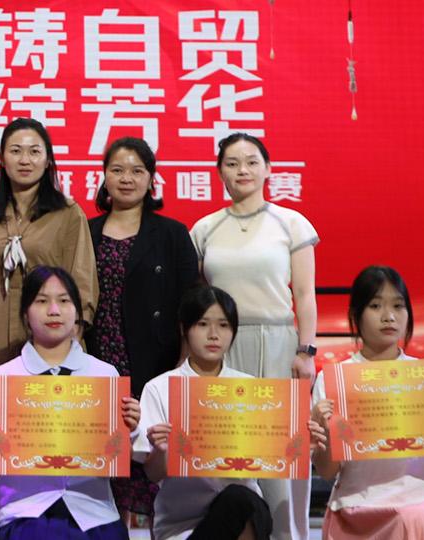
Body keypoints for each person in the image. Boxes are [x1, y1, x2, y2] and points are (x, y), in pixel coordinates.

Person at [188, 133, 317, 538]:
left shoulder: (291, 223)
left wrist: (306, 351)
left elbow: (305, 294)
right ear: (219, 172)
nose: (242, 170)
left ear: (268, 169)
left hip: (278, 345)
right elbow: (196, 301)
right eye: (232, 163)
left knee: (283, 455)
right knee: (228, 455)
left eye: (251, 161)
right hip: (221, 348)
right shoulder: (205, 229)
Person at [306, 266, 424, 539]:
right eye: (375, 306)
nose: (388, 316)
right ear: (356, 314)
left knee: (416, 519)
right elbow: (328, 472)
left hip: (418, 504)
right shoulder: (334, 380)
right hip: (355, 509)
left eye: (398, 306)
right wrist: (324, 431)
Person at [0, 267, 139, 540]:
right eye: (42, 301)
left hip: (93, 511)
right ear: (25, 313)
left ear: (77, 312)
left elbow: (122, 456)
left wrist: (131, 428)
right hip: (25, 510)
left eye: (64, 300)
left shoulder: (105, 376)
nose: (54, 310)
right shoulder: (4, 378)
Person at [83, 136, 197, 522]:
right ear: (104, 177)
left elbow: (190, 305)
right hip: (99, 359)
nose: (126, 178)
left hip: (154, 361)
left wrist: (182, 364)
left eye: (137, 170)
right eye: (117, 170)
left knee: (153, 465)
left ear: (151, 179)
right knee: (105, 466)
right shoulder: (86, 231)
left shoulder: (172, 234)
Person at [0, 119, 97, 402]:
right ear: (2, 159)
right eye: (15, 151)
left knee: (51, 411)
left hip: (53, 328)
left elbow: (82, 278)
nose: (25, 160)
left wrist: (75, 328)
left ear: (48, 160)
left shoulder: (68, 214)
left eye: (34, 151)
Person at [135, 286, 273, 540]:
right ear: (184, 329)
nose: (213, 335)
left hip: (244, 513)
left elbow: (270, 459)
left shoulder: (251, 389)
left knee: (239, 499)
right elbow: (153, 474)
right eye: (202, 324)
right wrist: (162, 450)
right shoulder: (160, 388)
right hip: (182, 523)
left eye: (223, 325)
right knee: (237, 502)